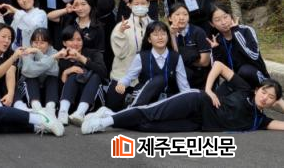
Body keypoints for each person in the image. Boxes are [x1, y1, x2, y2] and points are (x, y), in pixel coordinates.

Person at [81, 61, 284, 134]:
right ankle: (104, 122)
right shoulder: (244, 89)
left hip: (198, 124)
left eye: (271, 97)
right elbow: (219, 65)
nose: (265, 98)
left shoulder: (260, 120)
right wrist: (209, 89)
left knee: (148, 127)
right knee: (152, 113)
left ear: (274, 102)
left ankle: (109, 114)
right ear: (257, 90)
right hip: (196, 101)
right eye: (264, 92)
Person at [114, 21, 190, 108]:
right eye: (155, 35)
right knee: (158, 80)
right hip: (144, 99)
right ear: (149, 39)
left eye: (163, 34)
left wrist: (189, 101)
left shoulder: (176, 57)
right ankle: (133, 108)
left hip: (166, 100)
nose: (160, 37)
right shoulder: (141, 57)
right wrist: (122, 84)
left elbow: (183, 85)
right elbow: (129, 77)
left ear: (168, 37)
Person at [106, 0, 152, 111]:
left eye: (143, 3)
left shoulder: (154, 26)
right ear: (129, 5)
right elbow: (119, 54)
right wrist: (121, 33)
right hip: (122, 75)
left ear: (148, 4)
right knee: (112, 107)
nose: (140, 6)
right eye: (136, 4)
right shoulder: (121, 26)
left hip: (145, 77)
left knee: (139, 109)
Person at [208, 4, 269, 87]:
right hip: (237, 82)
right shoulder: (217, 40)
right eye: (217, 20)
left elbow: (254, 56)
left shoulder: (245, 30)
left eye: (225, 17)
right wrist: (216, 50)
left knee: (244, 71)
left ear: (231, 16)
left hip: (256, 77)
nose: (223, 22)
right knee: (220, 92)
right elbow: (217, 69)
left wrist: (236, 32)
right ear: (212, 24)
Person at [57, 25, 108, 126]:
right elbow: (57, 87)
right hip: (70, 102)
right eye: (71, 40)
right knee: (73, 74)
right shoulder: (60, 58)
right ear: (64, 43)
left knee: (95, 75)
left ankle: (80, 112)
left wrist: (81, 58)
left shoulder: (93, 53)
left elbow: (103, 72)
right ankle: (62, 112)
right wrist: (66, 72)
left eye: (79, 40)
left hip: (92, 103)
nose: (75, 43)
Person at [168, 2, 211, 89]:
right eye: (177, 14)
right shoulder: (166, 34)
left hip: (199, 74)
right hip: (178, 74)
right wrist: (172, 35)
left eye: (185, 14)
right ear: (170, 18)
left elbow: (205, 62)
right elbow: (174, 58)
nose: (181, 18)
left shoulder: (198, 32)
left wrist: (184, 62)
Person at [20, 28, 61, 117]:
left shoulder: (54, 52)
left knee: (52, 78)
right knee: (31, 78)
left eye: (42, 43)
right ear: (31, 43)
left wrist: (38, 53)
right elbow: (28, 71)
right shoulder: (27, 51)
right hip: (29, 92)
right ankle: (37, 109)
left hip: (48, 91)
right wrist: (49, 61)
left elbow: (54, 71)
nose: (38, 46)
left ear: (49, 44)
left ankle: (50, 109)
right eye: (35, 42)